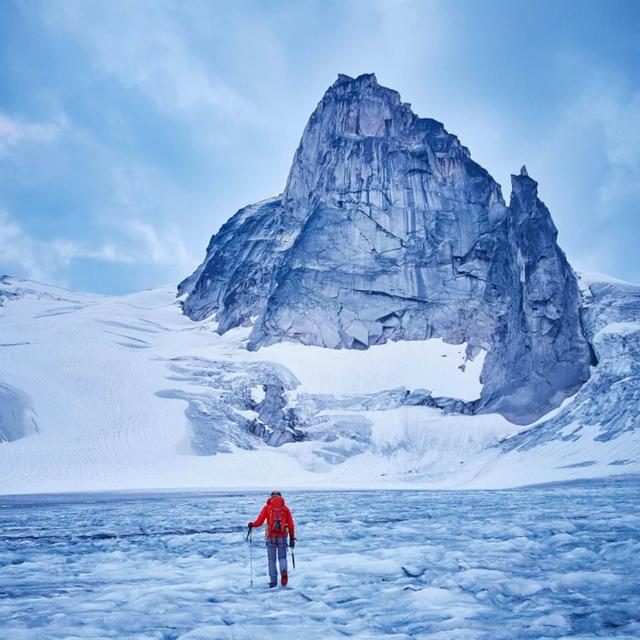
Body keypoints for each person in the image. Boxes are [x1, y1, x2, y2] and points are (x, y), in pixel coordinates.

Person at [248, 491, 295, 588]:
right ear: (280, 497)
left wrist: (252, 524)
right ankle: (283, 571)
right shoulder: (285, 509)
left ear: (271, 497)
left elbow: (259, 522)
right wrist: (291, 538)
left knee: (271, 560)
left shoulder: (267, 508)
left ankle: (273, 582)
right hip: (282, 537)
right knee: (282, 558)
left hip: (271, 538)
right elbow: (291, 525)